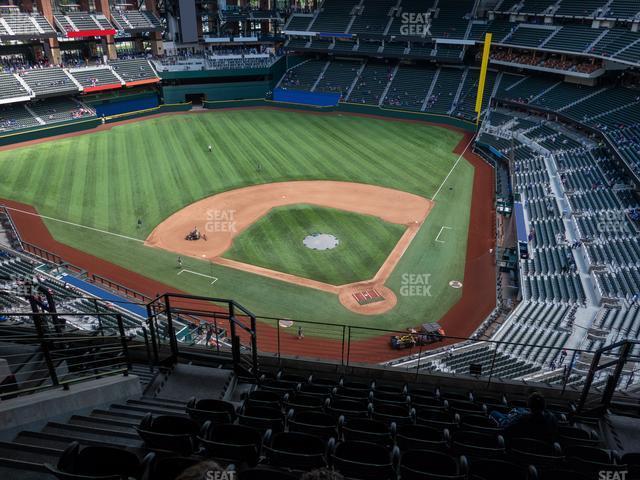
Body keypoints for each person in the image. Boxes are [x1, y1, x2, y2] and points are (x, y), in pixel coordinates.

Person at [490, 391, 559, 442]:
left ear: (529, 405)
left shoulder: (523, 419)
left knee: (493, 413)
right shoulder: (552, 418)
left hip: (519, 445)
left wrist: (509, 418)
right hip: (540, 449)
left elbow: (506, 428)